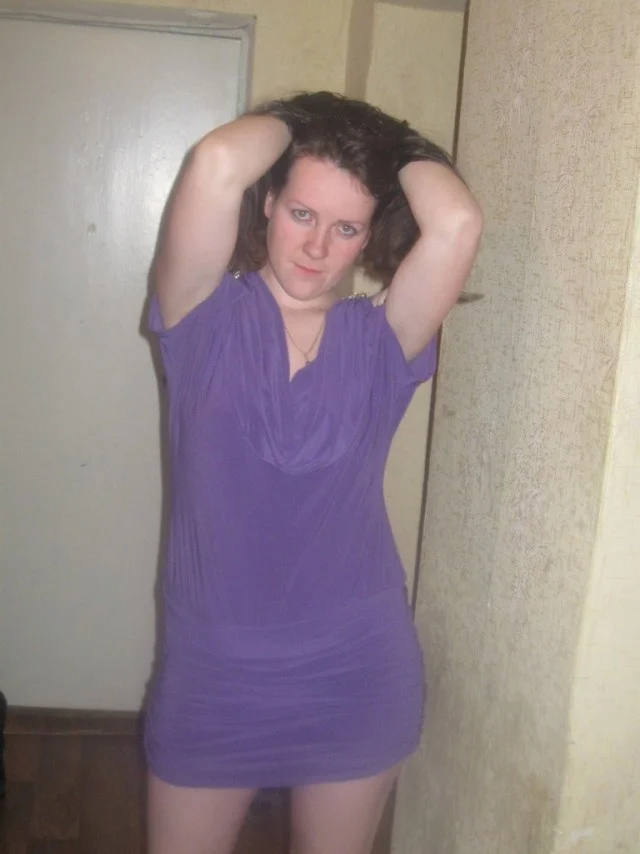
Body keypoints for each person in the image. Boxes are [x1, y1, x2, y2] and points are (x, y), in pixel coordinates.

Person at [144, 91, 482, 854]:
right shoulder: (201, 315)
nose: (317, 245)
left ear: (371, 235)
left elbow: (457, 223)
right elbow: (217, 160)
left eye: (346, 227)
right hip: (213, 674)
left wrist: (388, 142)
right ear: (267, 204)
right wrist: (310, 119)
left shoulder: (385, 337)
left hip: (354, 668)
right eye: (302, 213)